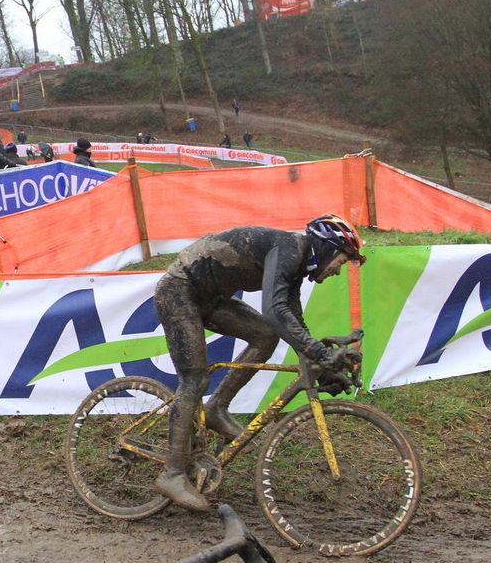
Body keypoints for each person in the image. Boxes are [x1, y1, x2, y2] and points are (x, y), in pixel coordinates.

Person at [151, 216, 365, 511]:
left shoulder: (296, 264)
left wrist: (323, 367)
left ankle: (216, 408)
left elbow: (292, 322)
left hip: (208, 297)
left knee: (265, 335)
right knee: (194, 381)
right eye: (340, 262)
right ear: (327, 249)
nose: (337, 271)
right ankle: (172, 474)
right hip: (179, 291)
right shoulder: (288, 249)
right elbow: (274, 310)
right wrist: (320, 353)